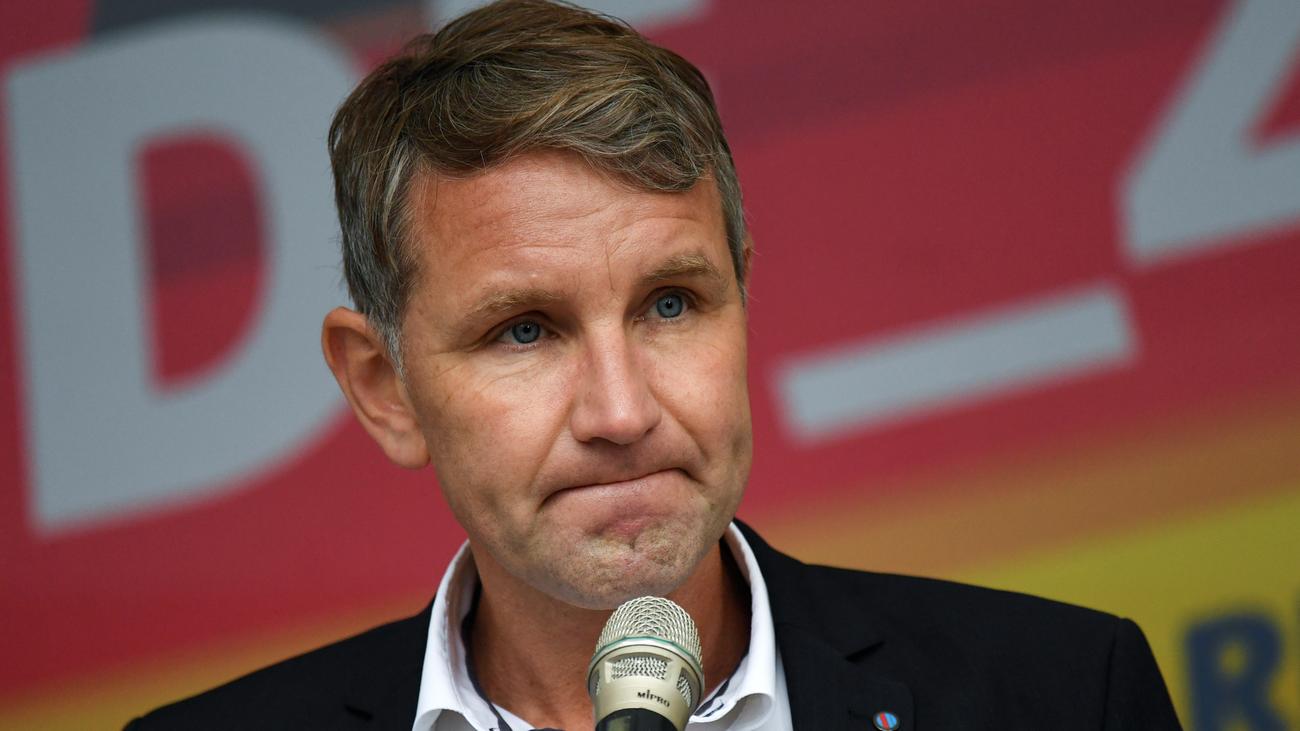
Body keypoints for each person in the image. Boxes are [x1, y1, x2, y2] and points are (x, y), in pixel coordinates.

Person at [126, 1, 1183, 729]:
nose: (622, 410)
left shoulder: (1060, 695)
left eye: (670, 303)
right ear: (384, 387)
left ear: (742, 296)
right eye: (525, 329)